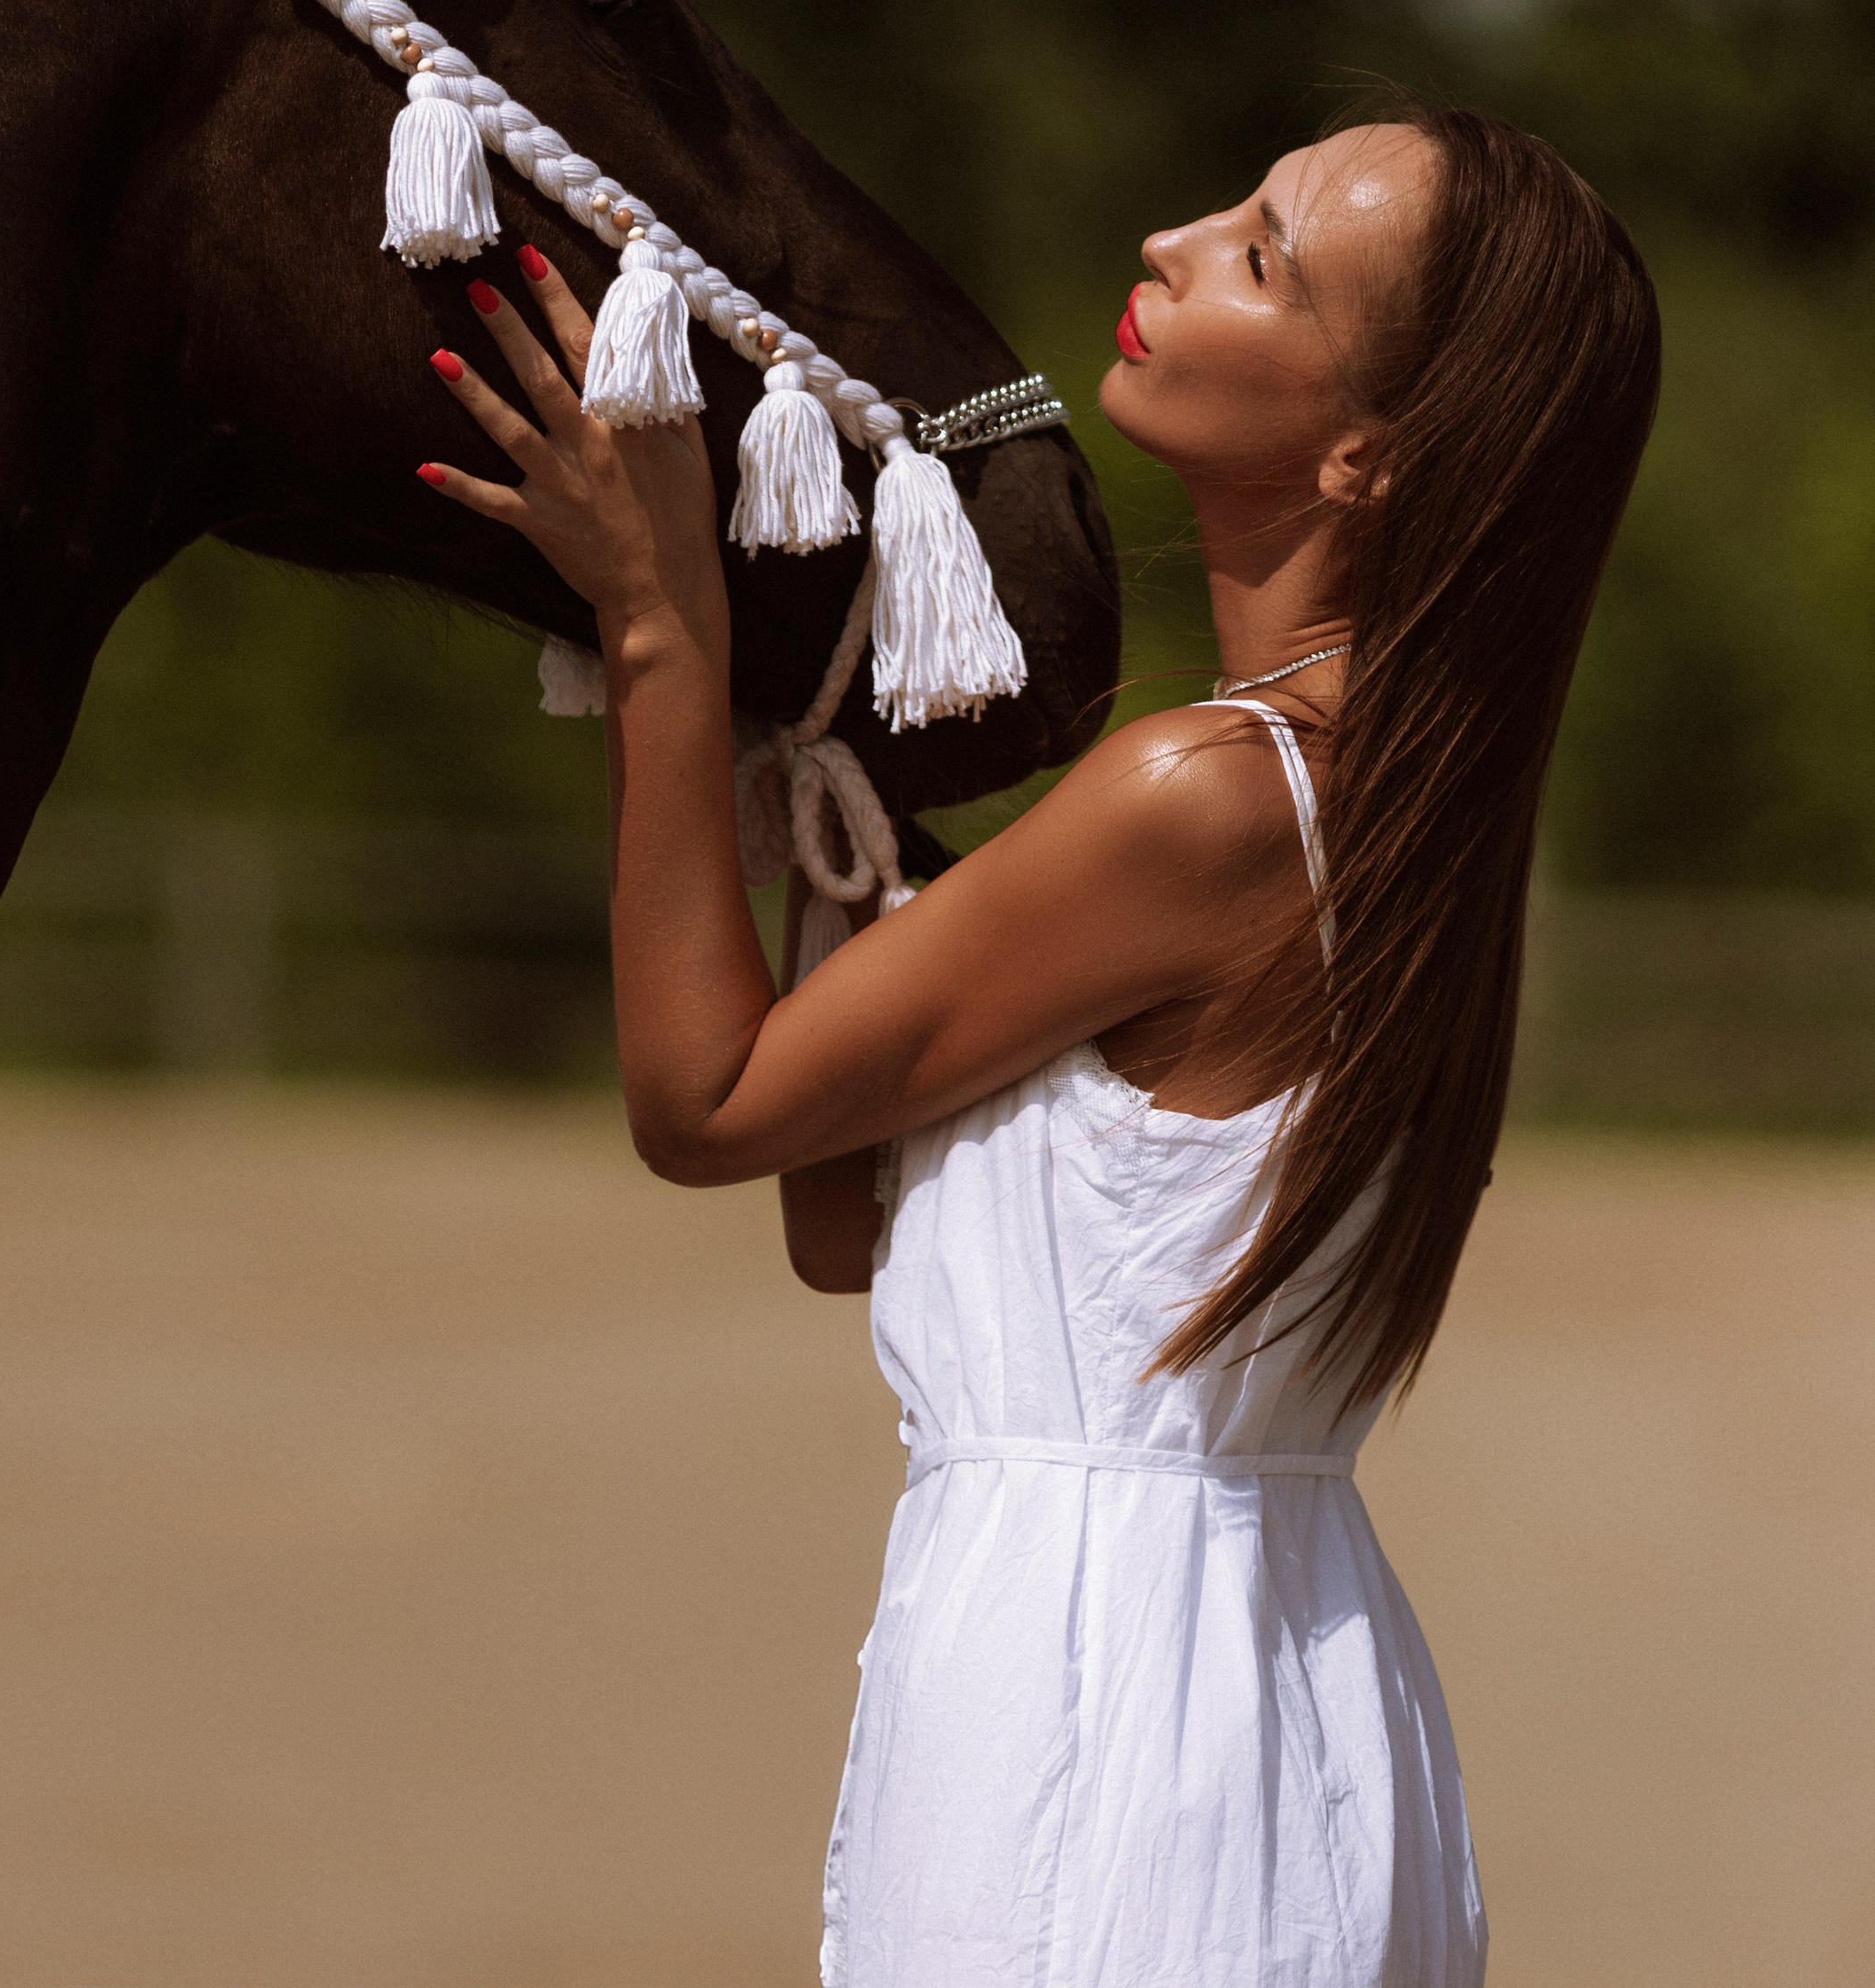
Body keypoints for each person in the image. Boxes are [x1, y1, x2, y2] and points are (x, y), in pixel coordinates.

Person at [418, 101, 1660, 1988]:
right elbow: (851, 1224)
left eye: (1262, 258)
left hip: (1097, 1730)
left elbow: (709, 1104)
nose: (1169, 239)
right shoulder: (1396, 809)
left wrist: (661, 630)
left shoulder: (1198, 797)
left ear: (1366, 458)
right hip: (1271, 1707)